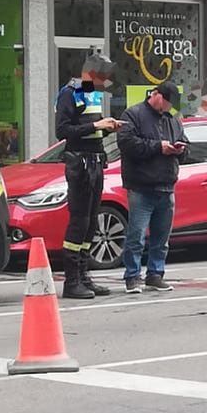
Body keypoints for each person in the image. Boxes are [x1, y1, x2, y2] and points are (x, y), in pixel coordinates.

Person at [53, 54, 121, 299]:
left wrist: (107, 128)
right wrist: (96, 126)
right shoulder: (69, 93)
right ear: (90, 73)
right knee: (79, 221)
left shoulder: (91, 94)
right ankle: (72, 281)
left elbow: (91, 130)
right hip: (80, 164)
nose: (106, 82)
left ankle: (84, 276)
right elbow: (62, 130)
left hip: (95, 161)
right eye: (103, 76)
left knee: (92, 222)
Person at [117, 83, 189, 293]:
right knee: (136, 236)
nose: (167, 107)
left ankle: (155, 274)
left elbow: (185, 146)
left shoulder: (172, 119)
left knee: (161, 237)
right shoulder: (133, 114)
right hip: (141, 186)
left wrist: (180, 150)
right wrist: (158, 147)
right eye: (166, 102)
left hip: (166, 185)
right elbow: (127, 143)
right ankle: (132, 276)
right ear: (156, 95)